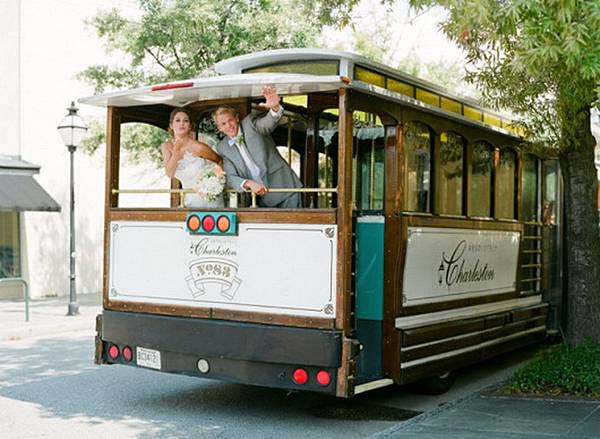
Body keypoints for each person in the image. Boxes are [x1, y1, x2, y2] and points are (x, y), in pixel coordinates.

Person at [213, 86, 302, 208]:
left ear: (237, 119)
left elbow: (266, 124)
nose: (229, 125)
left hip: (285, 188)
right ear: (219, 128)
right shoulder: (222, 147)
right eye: (223, 124)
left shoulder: (250, 124)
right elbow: (231, 176)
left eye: (230, 120)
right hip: (261, 198)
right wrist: (248, 183)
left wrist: (275, 108)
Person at [161, 107, 225, 208]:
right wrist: (177, 149)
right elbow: (170, 173)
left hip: (210, 199)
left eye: (185, 121)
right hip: (190, 200)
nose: (181, 123)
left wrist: (216, 182)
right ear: (171, 125)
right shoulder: (166, 147)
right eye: (178, 120)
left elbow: (219, 161)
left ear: (190, 126)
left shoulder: (199, 147)